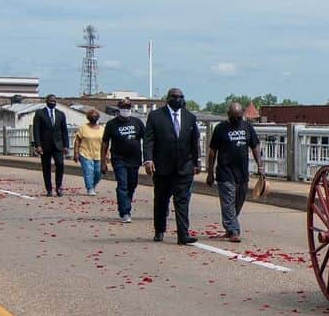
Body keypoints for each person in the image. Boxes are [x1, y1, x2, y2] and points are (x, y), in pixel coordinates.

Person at [143, 87, 201, 245]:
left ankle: (183, 234)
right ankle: (159, 230)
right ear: (168, 98)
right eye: (175, 97)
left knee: (182, 201)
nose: (179, 99)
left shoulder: (190, 117)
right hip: (162, 167)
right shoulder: (156, 116)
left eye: (181, 97)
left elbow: (194, 142)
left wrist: (197, 162)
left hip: (184, 167)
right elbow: (149, 140)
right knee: (161, 200)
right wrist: (148, 160)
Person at [206, 101, 264, 243]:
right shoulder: (220, 129)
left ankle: (230, 226)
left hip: (242, 172)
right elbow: (212, 151)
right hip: (225, 171)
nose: (237, 120)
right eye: (234, 117)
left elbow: (255, 146)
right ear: (229, 116)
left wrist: (260, 166)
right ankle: (233, 230)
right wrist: (210, 172)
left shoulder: (247, 127)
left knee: (238, 201)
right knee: (228, 202)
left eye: (239, 117)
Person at [102, 98, 145, 223]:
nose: (125, 109)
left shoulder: (137, 122)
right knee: (123, 184)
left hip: (135, 159)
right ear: (119, 108)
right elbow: (105, 143)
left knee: (132, 184)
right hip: (118, 158)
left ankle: (126, 203)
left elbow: (147, 139)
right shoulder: (111, 124)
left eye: (128, 107)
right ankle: (125, 211)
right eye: (123, 107)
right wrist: (103, 161)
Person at [31, 94, 69, 196]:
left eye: (54, 101)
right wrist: (38, 145)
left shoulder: (61, 114)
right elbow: (36, 130)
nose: (52, 103)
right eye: (51, 101)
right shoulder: (39, 113)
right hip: (45, 145)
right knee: (46, 167)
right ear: (46, 101)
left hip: (58, 145)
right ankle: (49, 189)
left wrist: (66, 146)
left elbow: (64, 131)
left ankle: (58, 186)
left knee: (60, 164)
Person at [72, 109, 105, 195]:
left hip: (99, 154)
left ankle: (93, 185)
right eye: (92, 116)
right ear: (88, 117)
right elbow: (77, 141)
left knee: (98, 172)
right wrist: (75, 153)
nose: (94, 117)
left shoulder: (102, 129)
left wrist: (107, 154)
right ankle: (89, 188)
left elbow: (105, 143)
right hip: (85, 153)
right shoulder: (83, 128)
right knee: (88, 172)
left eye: (96, 116)